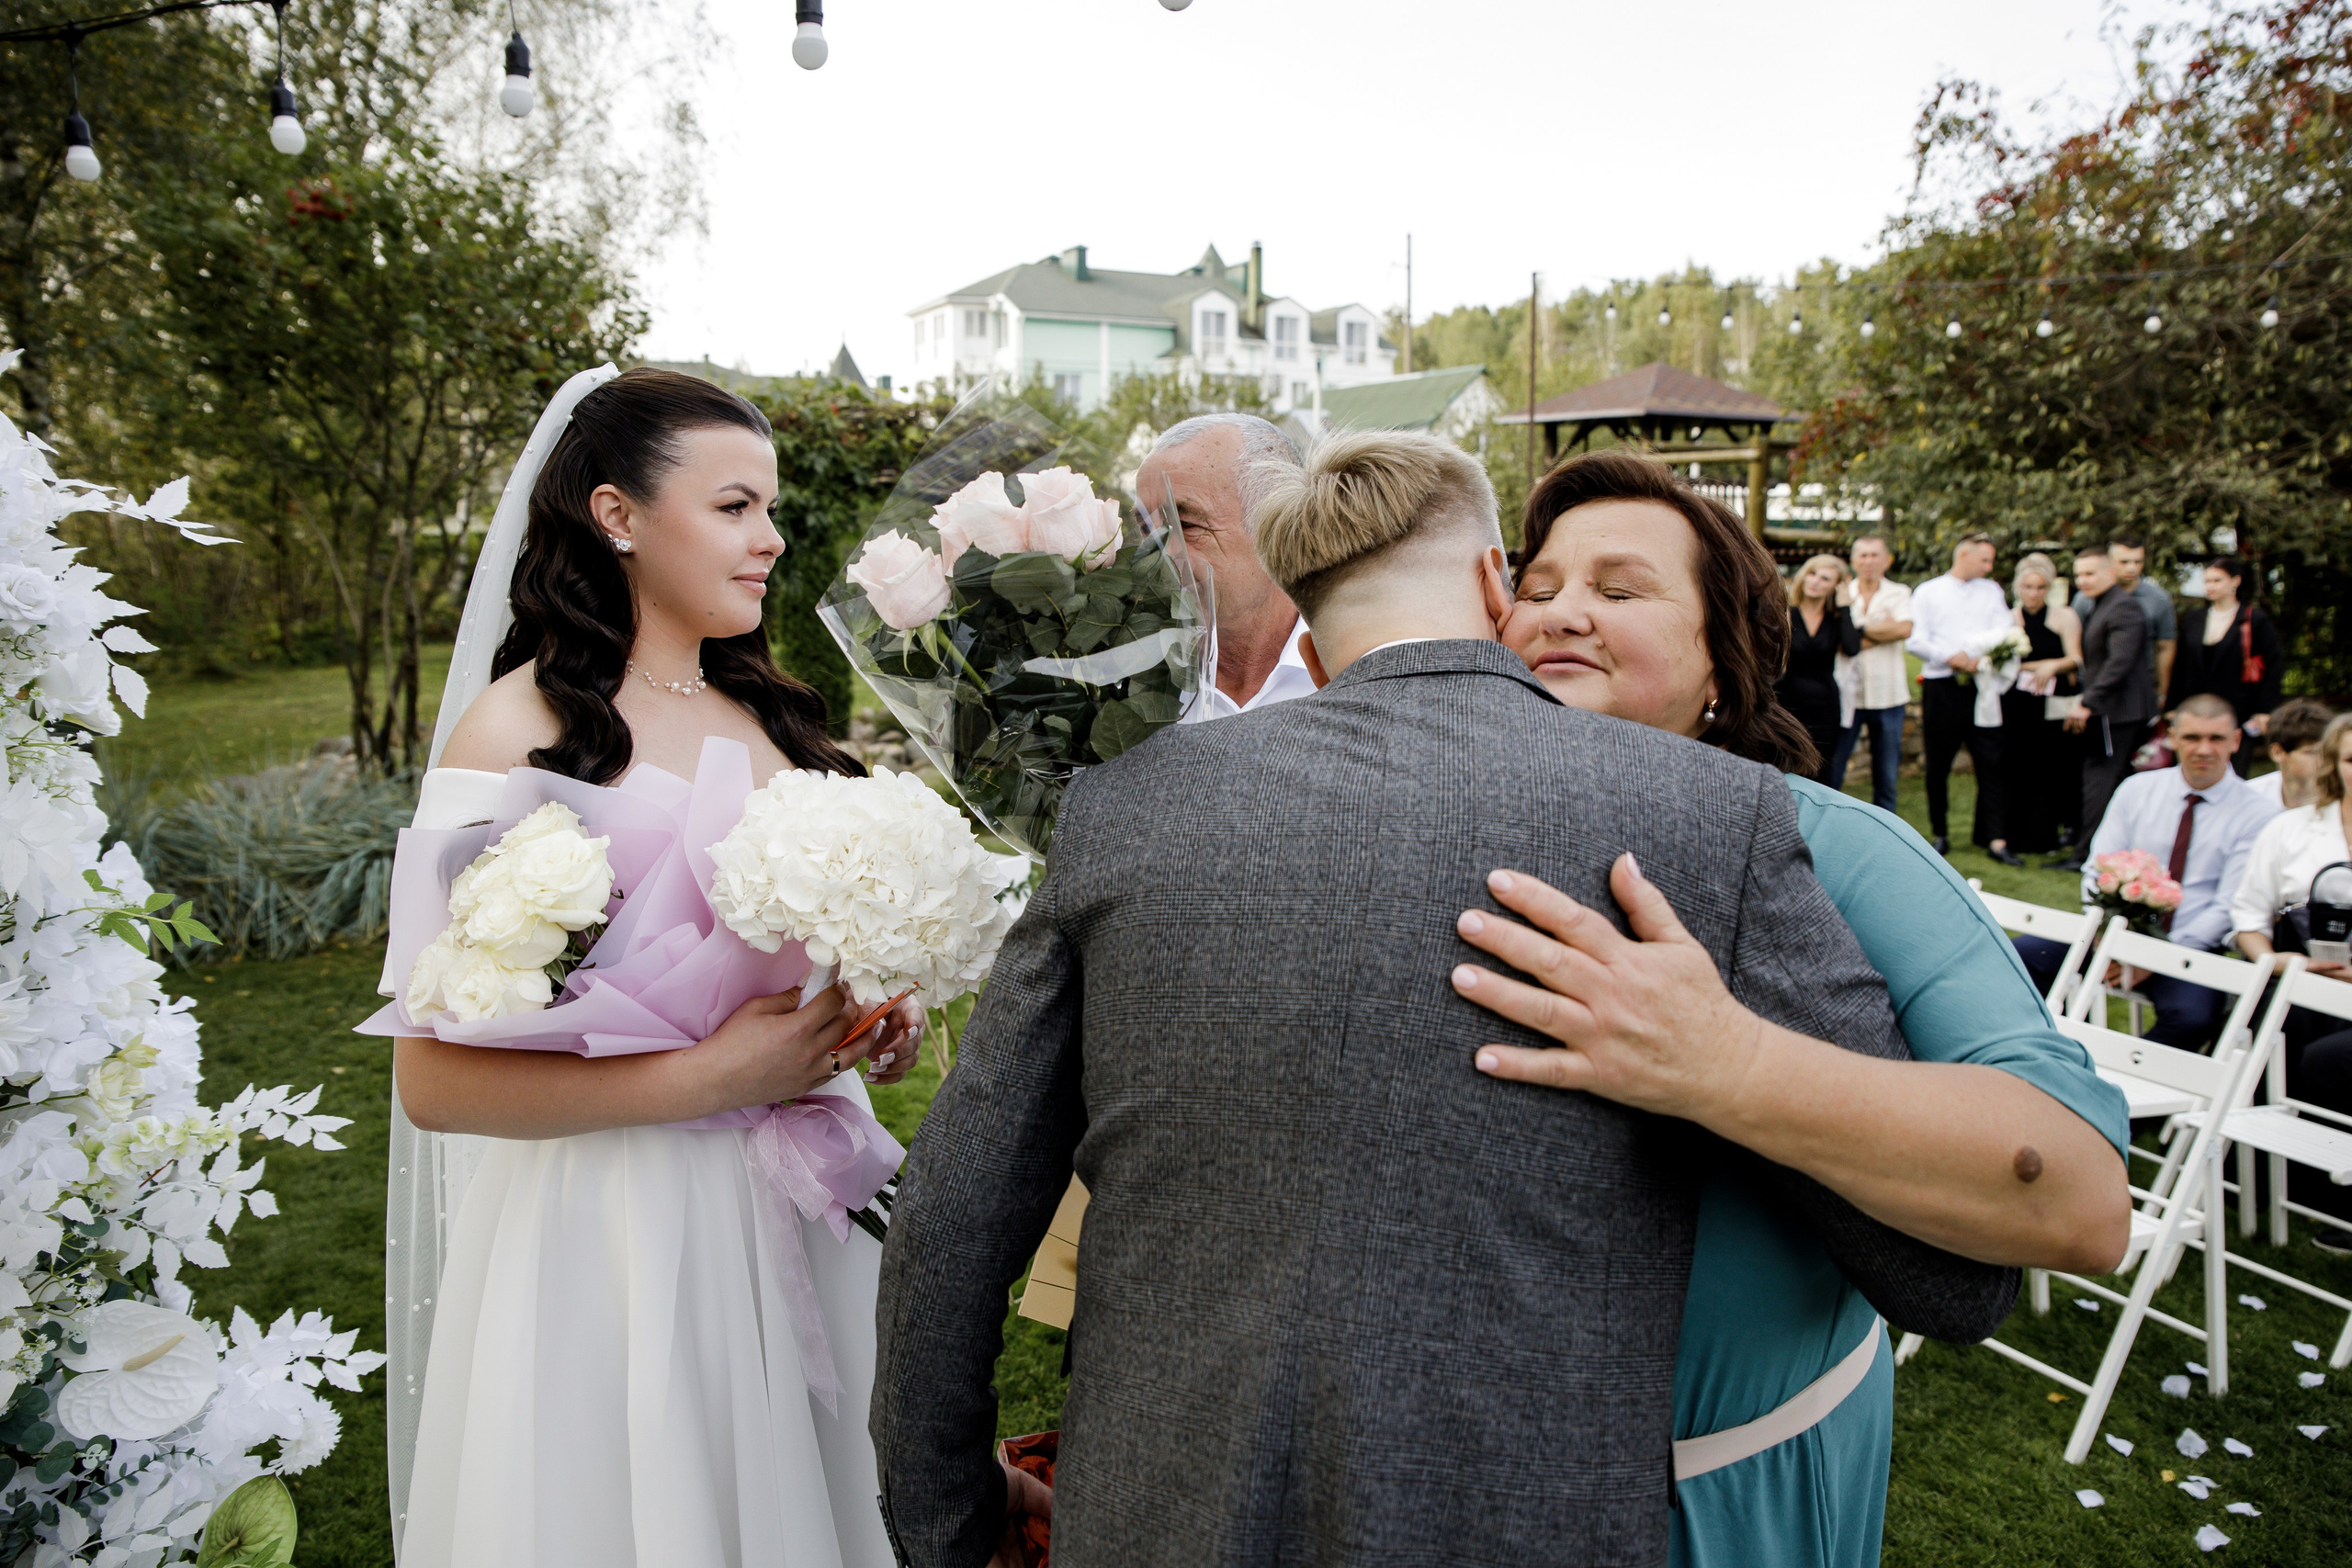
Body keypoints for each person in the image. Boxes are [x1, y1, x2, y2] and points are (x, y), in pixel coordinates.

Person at [870, 432, 2017, 1568]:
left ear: (1309, 629)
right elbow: (1947, 1278)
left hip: (1156, 1517)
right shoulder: (1712, 813)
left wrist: (947, 1514)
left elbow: (954, 1222)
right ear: (1492, 582)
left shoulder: (1124, 807)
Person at [1472, 451, 2129, 1568]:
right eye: (1535, 589)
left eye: (1618, 589)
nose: (1561, 611)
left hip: (1727, 1501)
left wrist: (1723, 1065)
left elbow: (2078, 1201)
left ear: (1721, 668)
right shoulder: (1436, 833)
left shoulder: (1843, 851)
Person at [390, 368, 923, 1568]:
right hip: (618, 1236)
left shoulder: (774, 718)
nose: (770, 538)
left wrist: (859, 1014)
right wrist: (711, 1078)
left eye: (769, 509)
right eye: (736, 507)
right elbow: (432, 1083)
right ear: (618, 514)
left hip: (797, 1204)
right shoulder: (513, 732)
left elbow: (788, 957)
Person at [2021, 694, 2278, 1050]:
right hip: (2112, 934)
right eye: (2192, 737)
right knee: (2023, 957)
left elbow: (2229, 905)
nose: (2204, 749)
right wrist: (2110, 939)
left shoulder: (2259, 814)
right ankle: (2050, 1052)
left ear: (2236, 740)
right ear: (2172, 737)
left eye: (2216, 738)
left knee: (2192, 1018)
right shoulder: (2137, 789)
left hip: (2191, 946)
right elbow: (2098, 868)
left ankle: (2120, 1074)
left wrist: (2156, 957)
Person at [2229, 711, 2352, 1251]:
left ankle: (2332, 1185)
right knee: (2280, 1022)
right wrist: (2277, 961)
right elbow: (2247, 917)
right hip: (2295, 978)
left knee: (2328, 1056)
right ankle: (2265, 1175)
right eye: (2351, 759)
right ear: (2334, 764)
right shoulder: (2291, 828)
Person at [1134, 412, 1316, 719]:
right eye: (1146, 530)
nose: (1157, 555)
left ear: (1279, 525)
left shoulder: (1357, 671)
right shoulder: (1126, 687)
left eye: (1186, 526)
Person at [1906, 533, 2021, 862]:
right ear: (1964, 555)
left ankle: (1996, 839)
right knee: (1938, 764)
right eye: (1985, 560)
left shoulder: (1992, 591)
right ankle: (1940, 833)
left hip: (1982, 685)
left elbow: (2005, 630)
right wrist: (1949, 656)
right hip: (1942, 687)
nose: (1989, 567)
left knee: (1991, 761)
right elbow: (1916, 640)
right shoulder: (1928, 591)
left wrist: (1978, 655)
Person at [2062, 544, 2158, 868]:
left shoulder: (2123, 607)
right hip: (2110, 709)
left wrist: (2088, 702)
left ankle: (2087, 855)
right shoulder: (2102, 605)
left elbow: (2120, 662)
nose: (2083, 581)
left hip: (2120, 712)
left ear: (2110, 573)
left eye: (2090, 573)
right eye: (2078, 575)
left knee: (2100, 781)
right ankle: (2095, 850)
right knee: (2101, 780)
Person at [2167, 555, 2285, 772]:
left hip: (2239, 710)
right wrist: (2173, 706)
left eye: (2217, 580)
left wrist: (2265, 710)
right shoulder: (2195, 619)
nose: (2210, 586)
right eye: (2207, 581)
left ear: (2235, 581)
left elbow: (2273, 666)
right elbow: (2181, 665)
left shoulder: (2254, 619)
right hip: (2196, 708)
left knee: (2234, 770)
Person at [2001, 552, 2083, 856]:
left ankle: (2052, 833)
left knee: (2053, 768)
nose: (2033, 594)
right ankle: (2013, 833)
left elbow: (2076, 659)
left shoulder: (2065, 617)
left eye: (2040, 587)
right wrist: (2034, 667)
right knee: (2017, 766)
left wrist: (2052, 665)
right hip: (2017, 703)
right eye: (2027, 587)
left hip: (2053, 703)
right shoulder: (2008, 618)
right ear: (2018, 588)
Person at [1827, 534, 1913, 814]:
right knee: (1835, 768)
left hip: (1888, 695)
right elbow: (1839, 642)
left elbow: (1904, 629)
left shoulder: (1899, 592)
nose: (1869, 561)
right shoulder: (1841, 594)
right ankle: (1829, 821)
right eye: (1863, 555)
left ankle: (1886, 824)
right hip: (1848, 695)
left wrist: (1856, 630)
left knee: (1886, 774)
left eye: (1875, 555)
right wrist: (1882, 631)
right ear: (1853, 561)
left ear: (1886, 561)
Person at [1776, 552, 1861, 784]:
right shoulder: (1785, 613)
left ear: (1836, 586)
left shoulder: (1836, 620)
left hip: (1825, 704)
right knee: (1785, 769)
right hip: (1787, 700)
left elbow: (1852, 648)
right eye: (1812, 574)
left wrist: (1845, 607)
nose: (1815, 581)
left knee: (1822, 772)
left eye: (1825, 578)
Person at [2087, 532, 2178, 703]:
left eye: (2138, 562)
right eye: (2124, 562)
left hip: (2140, 689)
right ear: (2109, 561)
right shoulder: (2088, 597)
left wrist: (2162, 692)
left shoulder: (2158, 598)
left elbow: (2165, 646)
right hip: (2094, 687)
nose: (2132, 568)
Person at [2249, 697, 2337, 810]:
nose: (2323, 760)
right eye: (2311, 752)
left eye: (2327, 752)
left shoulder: (2343, 800)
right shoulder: (2249, 798)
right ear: (2277, 752)